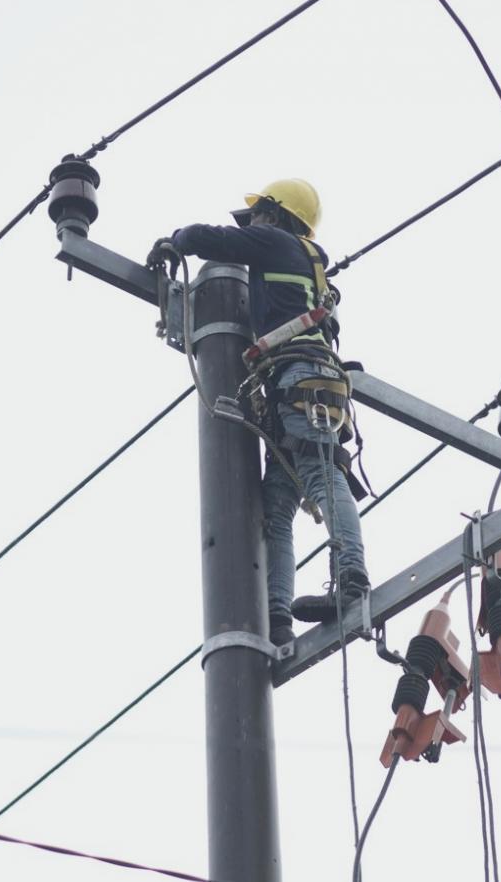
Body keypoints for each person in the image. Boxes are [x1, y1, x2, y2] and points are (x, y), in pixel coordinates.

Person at [151, 179, 369, 647]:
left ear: (275, 214)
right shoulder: (310, 269)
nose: (252, 223)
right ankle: (277, 616)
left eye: (258, 215)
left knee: (319, 476)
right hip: (294, 388)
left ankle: (352, 577)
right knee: (277, 508)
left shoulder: (277, 243)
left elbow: (212, 239)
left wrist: (176, 239)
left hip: (300, 382)